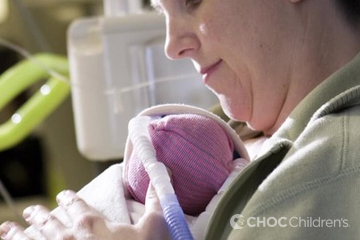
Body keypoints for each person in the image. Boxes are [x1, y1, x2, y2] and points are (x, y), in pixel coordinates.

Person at [1, 0, 360, 239]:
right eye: (161, 10)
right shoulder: (218, 131)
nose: (172, 46)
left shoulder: (343, 162)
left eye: (191, 1)